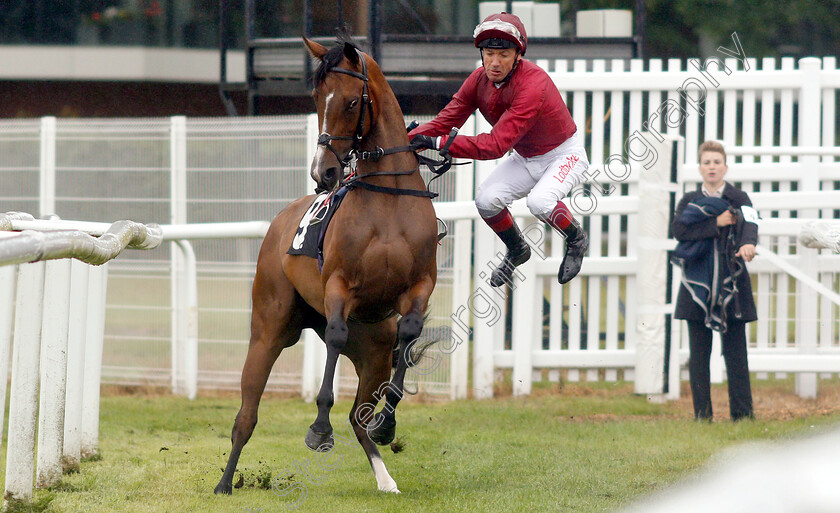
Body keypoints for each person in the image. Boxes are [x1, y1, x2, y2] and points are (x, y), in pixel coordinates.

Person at [408, 12, 589, 287]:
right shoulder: (478, 79)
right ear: (481, 54)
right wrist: (407, 137)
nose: (494, 63)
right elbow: (445, 121)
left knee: (540, 202)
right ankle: (518, 250)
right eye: (489, 53)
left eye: (503, 54)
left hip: (564, 155)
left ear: (518, 55)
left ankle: (576, 239)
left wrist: (439, 143)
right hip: (526, 157)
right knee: (486, 200)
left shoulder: (533, 84)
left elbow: (495, 145)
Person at [671, 140, 758, 421]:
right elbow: (679, 231)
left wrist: (748, 244)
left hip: (732, 284)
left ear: (725, 167)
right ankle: (702, 416)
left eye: (716, 162)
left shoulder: (740, 197)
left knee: (736, 354)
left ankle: (743, 416)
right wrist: (715, 224)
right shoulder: (689, 201)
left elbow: (751, 224)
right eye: (707, 162)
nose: (712, 167)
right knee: (699, 355)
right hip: (698, 286)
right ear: (700, 168)